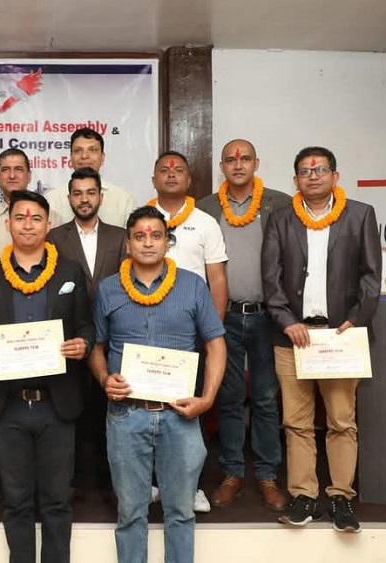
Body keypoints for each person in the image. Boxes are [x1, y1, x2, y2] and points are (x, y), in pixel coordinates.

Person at [89, 206, 226, 563]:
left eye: (156, 235)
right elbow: (96, 348)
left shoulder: (193, 286)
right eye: (139, 236)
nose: (148, 243)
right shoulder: (108, 289)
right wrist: (104, 378)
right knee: (130, 513)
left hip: (180, 415)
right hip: (126, 415)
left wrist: (207, 399)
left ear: (168, 242)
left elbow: (215, 344)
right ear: (128, 243)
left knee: (180, 512)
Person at [0, 190, 95, 563]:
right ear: (8, 223)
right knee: (16, 501)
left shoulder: (70, 272)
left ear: (48, 224)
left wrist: (83, 344)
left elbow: (86, 325)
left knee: (57, 500)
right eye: (20, 217)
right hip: (7, 405)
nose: (28, 225)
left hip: (57, 403)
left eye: (36, 218)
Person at [262, 146, 381, 533]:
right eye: (305, 171)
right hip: (293, 336)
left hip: (340, 335)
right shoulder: (281, 219)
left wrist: (355, 320)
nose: (313, 176)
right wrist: (286, 321)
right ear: (295, 179)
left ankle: (341, 498)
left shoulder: (360, 214)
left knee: (341, 420)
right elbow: (271, 278)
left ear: (335, 176)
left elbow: (371, 276)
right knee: (296, 422)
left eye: (320, 169)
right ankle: (304, 497)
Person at [197, 139, 291, 511]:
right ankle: (232, 473)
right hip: (225, 317)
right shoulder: (205, 208)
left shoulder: (280, 203)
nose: (238, 165)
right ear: (221, 166)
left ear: (256, 163)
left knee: (266, 399)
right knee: (230, 397)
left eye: (245, 158)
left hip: (269, 316)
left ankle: (267, 476)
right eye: (231, 160)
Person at [149, 150, 228, 512]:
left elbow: (217, 279)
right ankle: (153, 483)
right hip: (147, 330)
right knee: (149, 407)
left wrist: (213, 332)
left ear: (189, 179)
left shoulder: (205, 222)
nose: (171, 174)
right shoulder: (142, 219)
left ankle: (192, 485)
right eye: (164, 169)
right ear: (153, 179)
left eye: (178, 169)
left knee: (189, 409)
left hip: (191, 331)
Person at [47, 167, 126, 498]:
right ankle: (75, 481)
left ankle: (110, 481)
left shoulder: (121, 236)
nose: (84, 199)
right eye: (77, 193)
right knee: (72, 409)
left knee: (109, 407)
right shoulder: (54, 237)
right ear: (69, 198)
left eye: (90, 193)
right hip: (70, 337)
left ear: (100, 197)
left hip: (112, 335)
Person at [0, 148, 63, 263]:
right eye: (5, 170)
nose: (12, 175)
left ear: (29, 176)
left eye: (18, 169)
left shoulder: (53, 217)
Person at [46, 128, 135, 228]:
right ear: (71, 157)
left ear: (102, 157)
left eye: (92, 150)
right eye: (78, 151)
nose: (84, 156)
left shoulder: (123, 199)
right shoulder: (52, 200)